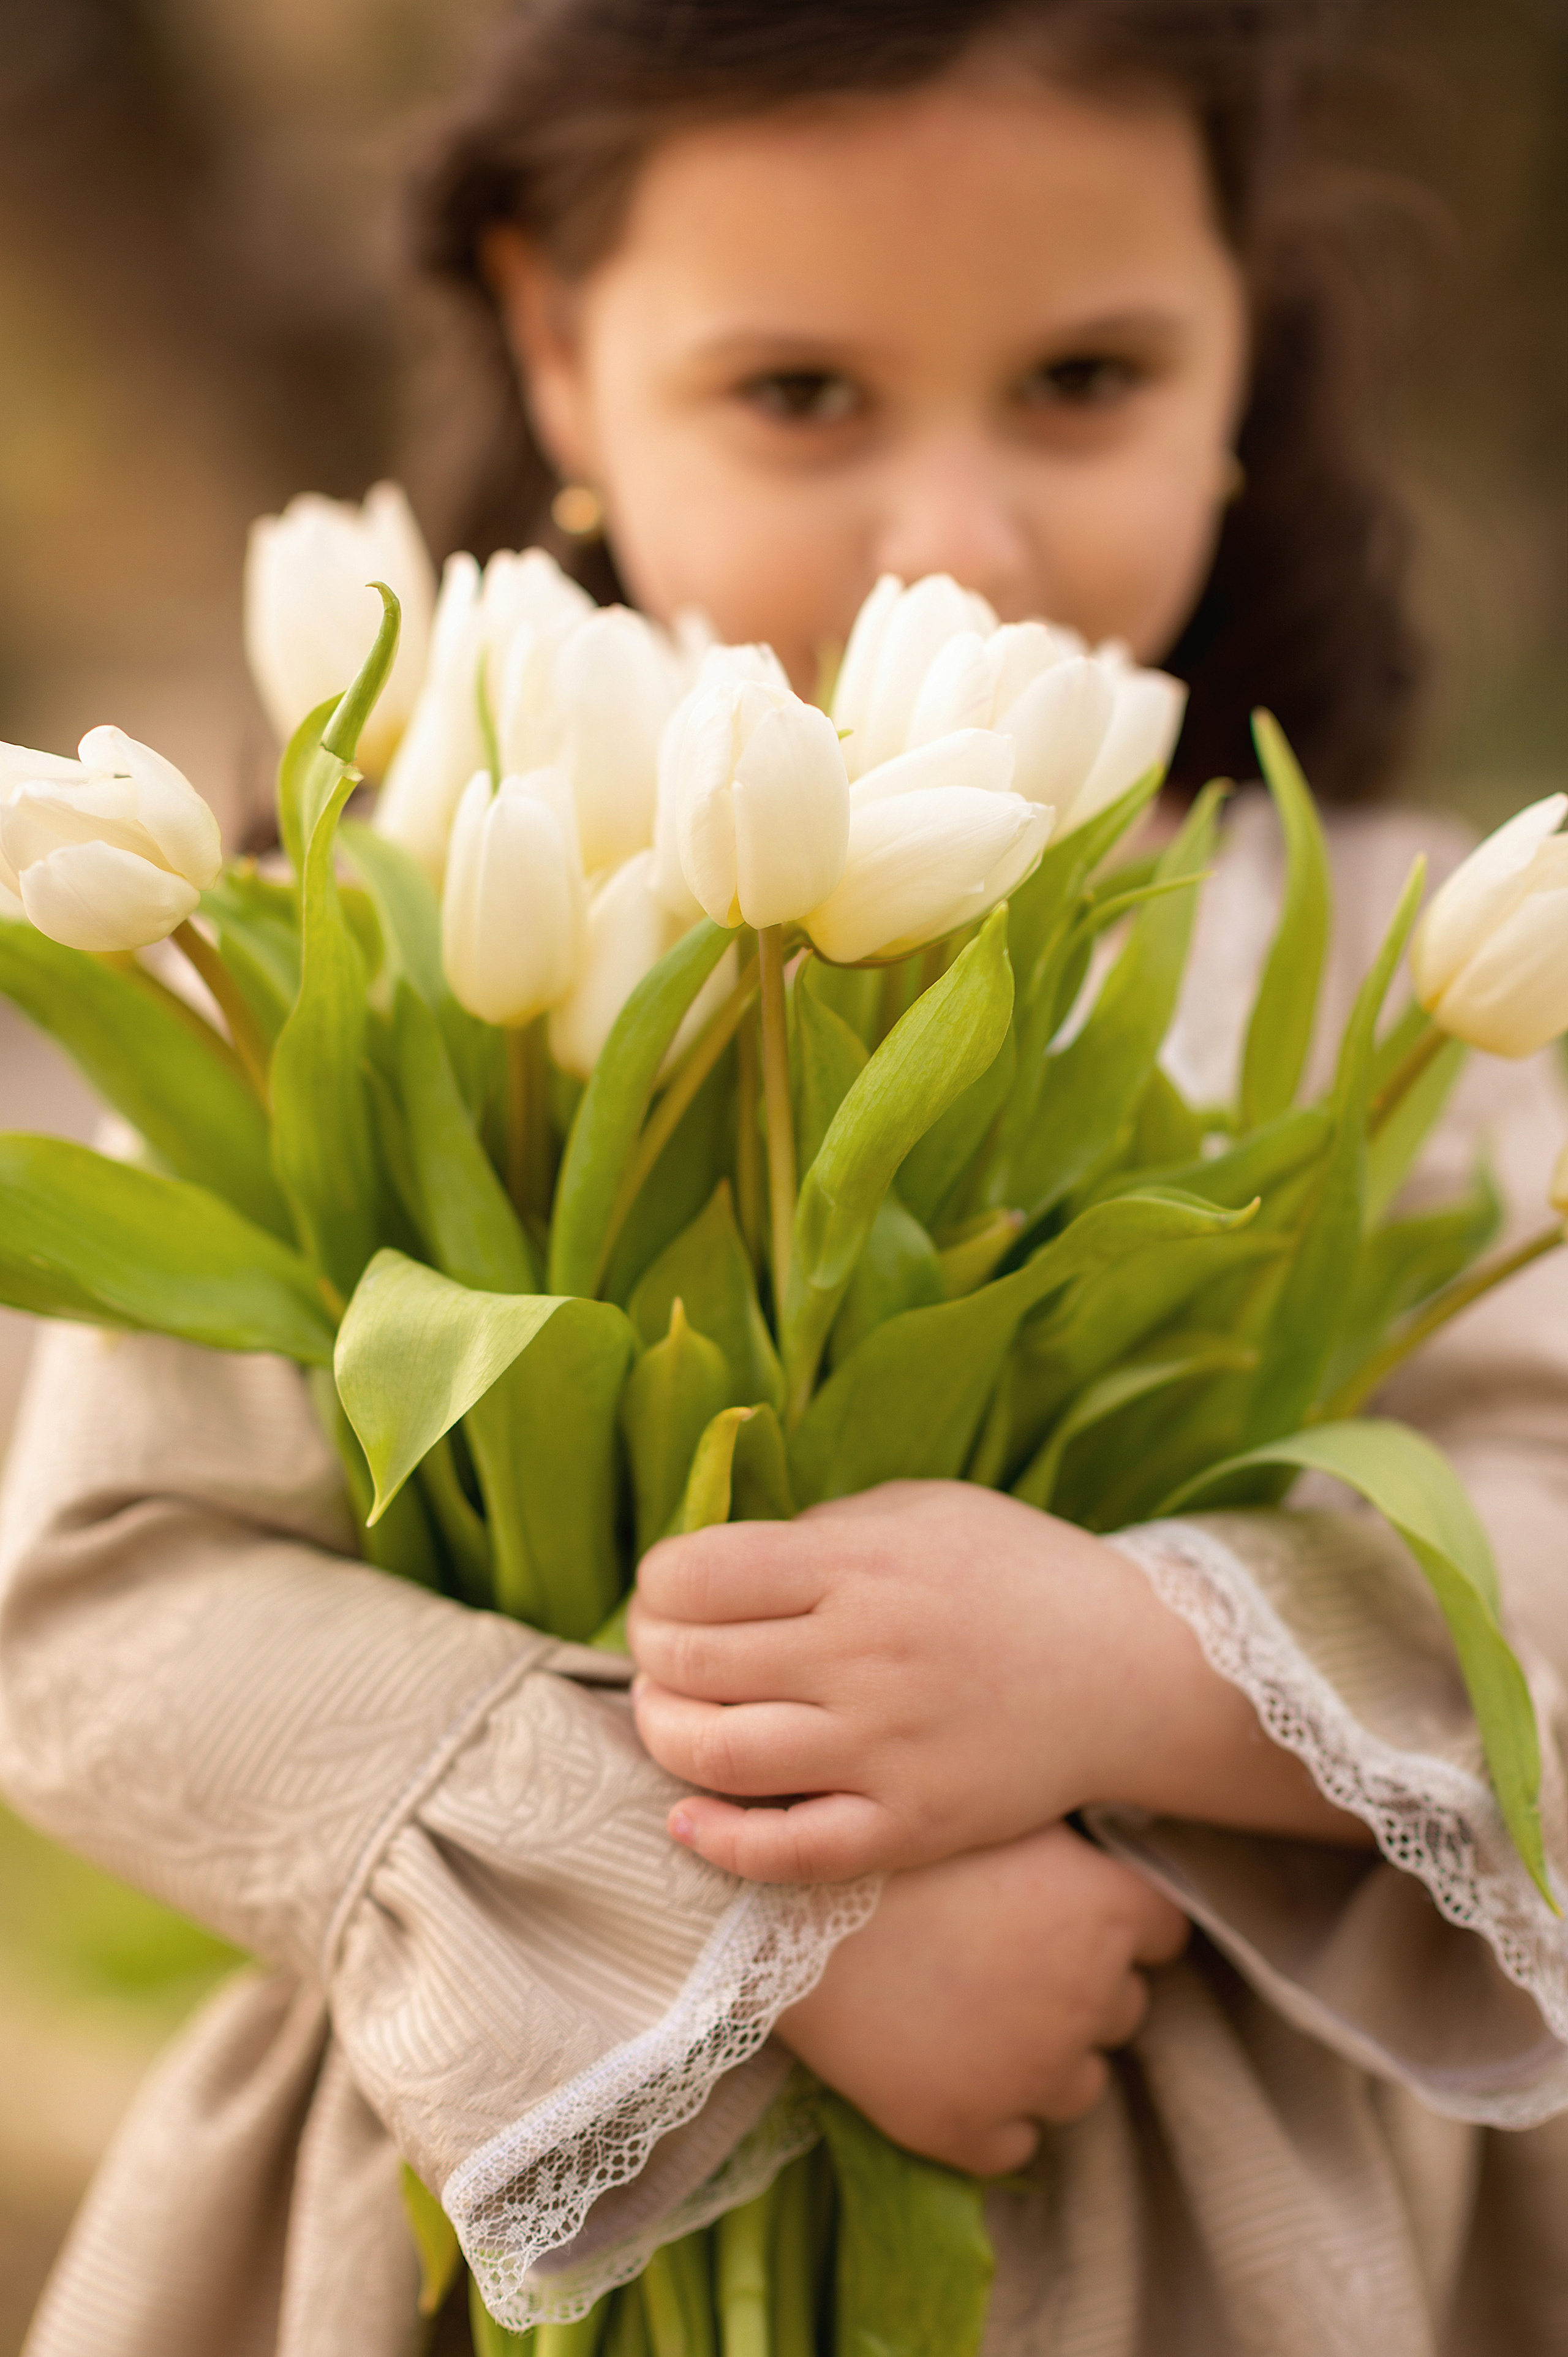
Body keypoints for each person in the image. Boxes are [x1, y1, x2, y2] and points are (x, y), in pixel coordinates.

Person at [2, 4, 1567, 2355]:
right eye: (805, 397)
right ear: (556, 345)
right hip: (523, 2206)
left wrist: (1137, 1667)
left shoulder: (1376, 991)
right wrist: (753, 1937)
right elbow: (109, 1625)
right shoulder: (383, 932)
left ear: (1240, 325)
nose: (962, 534)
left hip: (1227, 2220)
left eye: (1085, 381)